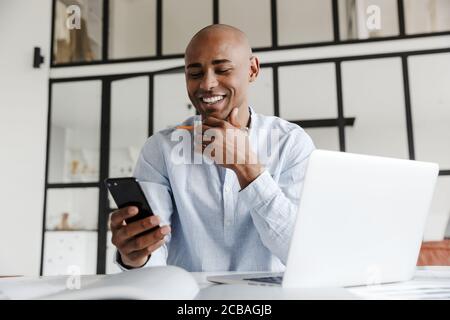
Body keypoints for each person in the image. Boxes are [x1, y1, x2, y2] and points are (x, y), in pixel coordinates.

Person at [110, 24, 315, 272]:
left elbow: (301, 254)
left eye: (223, 70)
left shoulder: (291, 143)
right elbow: (153, 257)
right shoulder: (160, 150)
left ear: (252, 69)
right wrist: (135, 257)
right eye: (194, 74)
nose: (207, 84)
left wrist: (248, 169)